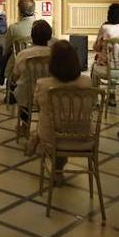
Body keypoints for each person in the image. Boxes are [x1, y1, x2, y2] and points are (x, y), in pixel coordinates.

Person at [28, 40, 94, 184]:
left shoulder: (43, 84)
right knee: (63, 124)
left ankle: (37, 139)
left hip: (53, 138)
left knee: (51, 125)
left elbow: (36, 105)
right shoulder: (87, 83)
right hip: (83, 137)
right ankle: (56, 167)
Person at [9, 19, 54, 132]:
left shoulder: (23, 54)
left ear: (32, 36)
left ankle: (24, 125)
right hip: (49, 93)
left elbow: (15, 75)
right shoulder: (54, 53)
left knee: (20, 88)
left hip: (28, 94)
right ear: (49, 36)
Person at [0, 0, 37, 91]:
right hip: (39, 63)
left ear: (20, 12)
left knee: (8, 54)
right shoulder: (41, 26)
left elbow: (5, 48)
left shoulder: (14, 28)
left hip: (19, 62)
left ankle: (1, 82)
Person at [90, 3, 119, 85]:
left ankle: (94, 93)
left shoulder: (105, 28)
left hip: (108, 67)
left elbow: (96, 48)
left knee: (94, 65)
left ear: (109, 15)